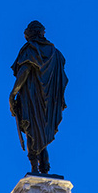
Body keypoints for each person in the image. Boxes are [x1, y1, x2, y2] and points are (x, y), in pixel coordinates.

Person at [10, 21, 68, 175]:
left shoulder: (31, 49)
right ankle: (45, 168)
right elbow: (62, 78)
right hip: (50, 102)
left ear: (30, 33)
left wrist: (13, 93)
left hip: (32, 98)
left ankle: (35, 167)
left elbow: (24, 71)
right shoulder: (56, 54)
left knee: (31, 131)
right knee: (41, 135)